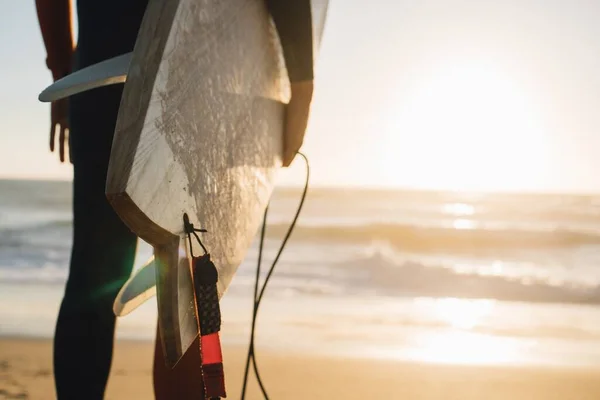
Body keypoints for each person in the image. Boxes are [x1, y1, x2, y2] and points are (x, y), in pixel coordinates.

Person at [36, 0, 316, 398]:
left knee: (96, 275)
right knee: (186, 276)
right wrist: (302, 83)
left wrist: (64, 66)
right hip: (197, 71)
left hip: (101, 68)